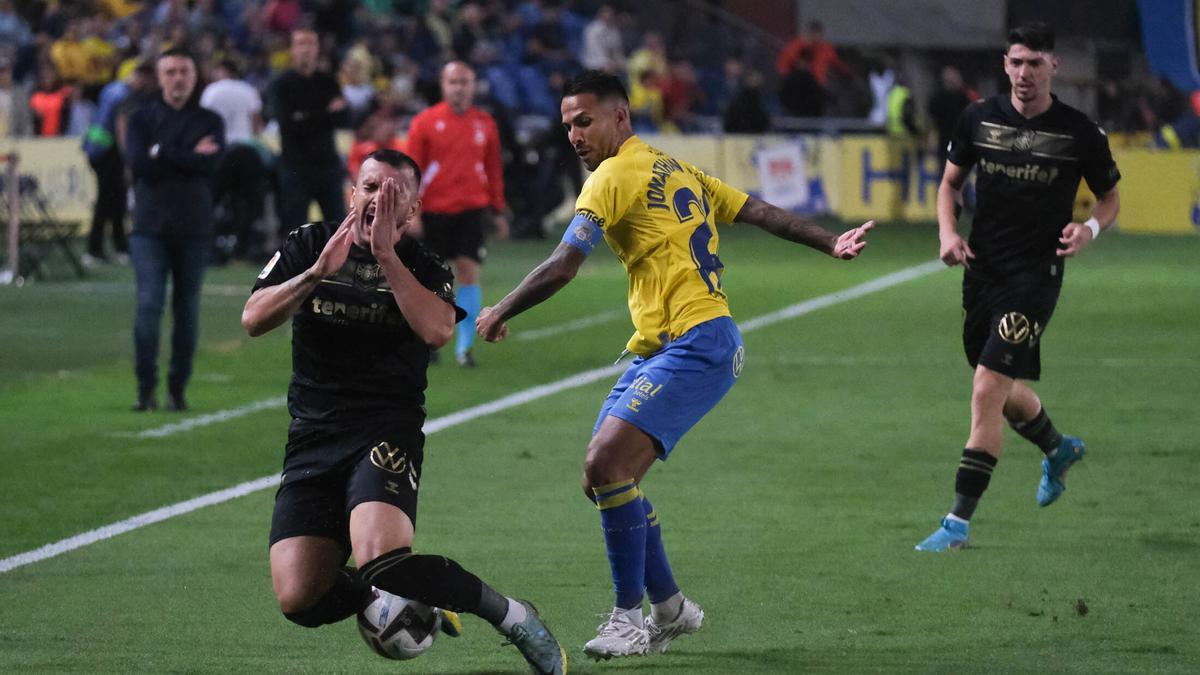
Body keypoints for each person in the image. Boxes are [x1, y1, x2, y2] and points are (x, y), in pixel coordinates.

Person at [475, 70, 874, 659]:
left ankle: (627, 618)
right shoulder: (676, 167)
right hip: (666, 346)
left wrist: (499, 310)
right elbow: (760, 211)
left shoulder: (612, 176)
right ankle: (669, 608)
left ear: (620, 117)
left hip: (698, 340)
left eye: (584, 121)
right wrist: (828, 241)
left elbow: (563, 265)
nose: (573, 136)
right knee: (603, 480)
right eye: (566, 125)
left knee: (606, 463)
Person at [240, 149, 566, 675]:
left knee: (384, 561)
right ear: (352, 194)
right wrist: (315, 274)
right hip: (312, 435)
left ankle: (513, 617)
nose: (376, 201)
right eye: (369, 188)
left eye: (392, 195)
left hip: (384, 429)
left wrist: (387, 257)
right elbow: (253, 318)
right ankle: (418, 597)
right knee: (298, 598)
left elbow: (438, 330)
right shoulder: (308, 243)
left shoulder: (422, 265)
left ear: (411, 210)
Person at [915, 23, 1122, 552]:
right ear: (1004, 65)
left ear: (1054, 66)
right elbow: (949, 184)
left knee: (986, 387)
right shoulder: (978, 118)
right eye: (1016, 63)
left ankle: (956, 522)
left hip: (1036, 275)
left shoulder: (1079, 132)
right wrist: (946, 232)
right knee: (1000, 387)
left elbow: (1109, 199)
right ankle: (1057, 449)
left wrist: (1089, 228)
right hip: (982, 271)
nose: (1024, 73)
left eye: (1034, 63)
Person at [124, 47, 225, 412]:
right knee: (149, 304)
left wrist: (161, 152)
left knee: (187, 311)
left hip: (194, 227)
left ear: (195, 76)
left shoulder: (211, 119)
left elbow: (213, 165)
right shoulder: (141, 118)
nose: (177, 78)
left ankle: (177, 388)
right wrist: (187, 155)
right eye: (170, 71)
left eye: (184, 70)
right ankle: (145, 388)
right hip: (148, 228)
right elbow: (138, 165)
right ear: (160, 77)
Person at [406, 61, 507, 368]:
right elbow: (411, 171)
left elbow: (492, 168)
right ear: (443, 85)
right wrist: (411, 211)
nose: (459, 87)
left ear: (473, 85)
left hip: (472, 209)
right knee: (431, 279)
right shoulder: (424, 122)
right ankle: (428, 339)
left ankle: (464, 348)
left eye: (465, 81)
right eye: (453, 82)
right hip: (434, 210)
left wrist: (498, 209)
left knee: (468, 271)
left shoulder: (485, 123)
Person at [269, 28, 347, 243]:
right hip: (295, 166)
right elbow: (286, 122)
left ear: (317, 49)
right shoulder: (281, 84)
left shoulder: (328, 82)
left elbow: (344, 117)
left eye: (310, 43)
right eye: (300, 44)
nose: (305, 49)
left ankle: (338, 271)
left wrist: (304, 115)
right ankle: (295, 273)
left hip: (326, 164)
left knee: (338, 228)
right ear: (292, 49)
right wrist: (324, 113)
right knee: (295, 229)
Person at [82, 61, 152, 266]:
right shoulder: (125, 96)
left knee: (112, 199)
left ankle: (114, 247)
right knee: (109, 201)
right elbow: (122, 128)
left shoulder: (112, 88)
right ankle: (98, 249)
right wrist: (128, 159)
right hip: (109, 152)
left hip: (95, 147)